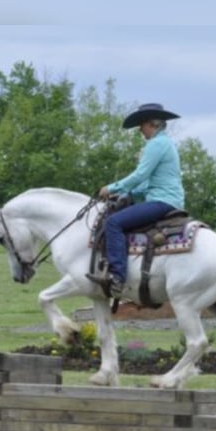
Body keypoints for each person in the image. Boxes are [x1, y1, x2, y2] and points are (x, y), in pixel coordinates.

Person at [87, 103, 185, 297]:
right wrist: (126, 195)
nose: (140, 129)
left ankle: (117, 278)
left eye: (142, 124)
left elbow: (140, 175)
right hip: (165, 198)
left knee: (113, 222)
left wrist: (111, 188)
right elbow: (145, 184)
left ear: (152, 124)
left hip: (161, 201)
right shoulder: (165, 143)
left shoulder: (157, 144)